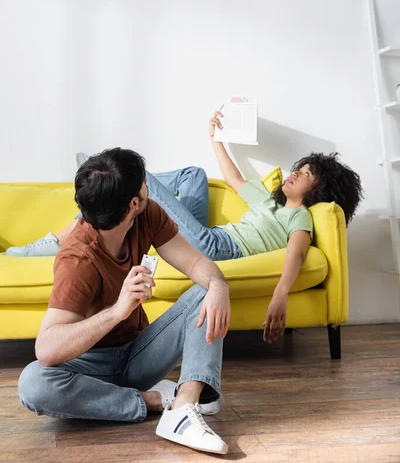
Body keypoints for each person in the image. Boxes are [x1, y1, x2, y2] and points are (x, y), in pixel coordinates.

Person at [8, 108, 363, 343]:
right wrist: (215, 138)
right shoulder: (269, 201)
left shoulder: (299, 216)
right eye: (298, 168)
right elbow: (233, 177)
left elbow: (297, 256)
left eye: (305, 175)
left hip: (220, 248)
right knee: (193, 174)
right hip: (212, 237)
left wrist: (281, 295)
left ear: (319, 190)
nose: (295, 173)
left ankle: (104, 185)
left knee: (132, 185)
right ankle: (107, 188)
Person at [17, 147, 231, 455]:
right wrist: (117, 311)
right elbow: (46, 348)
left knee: (204, 292)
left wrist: (219, 284)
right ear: (133, 202)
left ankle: (184, 407)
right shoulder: (77, 258)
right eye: (145, 182)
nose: (148, 187)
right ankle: (151, 400)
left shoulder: (148, 215)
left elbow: (198, 265)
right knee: (33, 383)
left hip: (137, 355)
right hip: (86, 368)